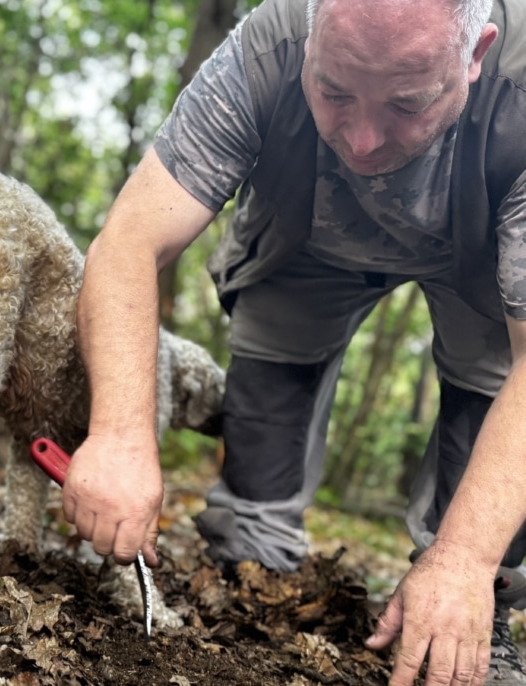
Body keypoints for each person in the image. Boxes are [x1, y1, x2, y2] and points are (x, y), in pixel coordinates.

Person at [61, 0, 526, 683]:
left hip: (484, 261)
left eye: (407, 103)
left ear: (476, 54)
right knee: (272, 376)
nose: (364, 140)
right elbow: (130, 241)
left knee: (490, 389)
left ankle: (472, 616)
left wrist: (466, 560)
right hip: (306, 237)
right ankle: (250, 565)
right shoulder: (264, 49)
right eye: (334, 91)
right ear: (310, 35)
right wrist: (120, 435)